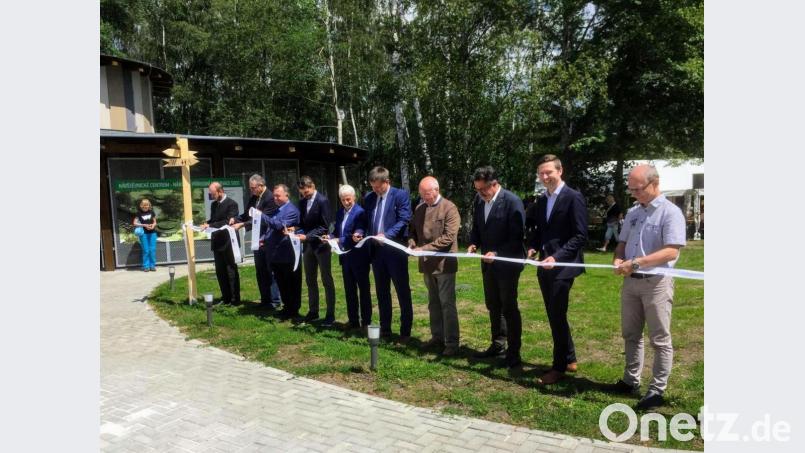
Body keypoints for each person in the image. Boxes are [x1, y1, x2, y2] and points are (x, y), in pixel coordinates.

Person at [611, 164, 686, 410]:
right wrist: (617, 259)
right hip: (631, 282)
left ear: (654, 183)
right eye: (631, 189)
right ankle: (630, 380)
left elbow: (671, 250)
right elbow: (622, 243)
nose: (634, 194)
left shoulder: (670, 212)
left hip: (656, 283)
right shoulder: (634, 212)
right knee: (631, 334)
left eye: (638, 189)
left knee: (659, 338)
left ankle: (656, 390)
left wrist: (637, 262)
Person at [526, 154, 588, 385]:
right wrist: (532, 247)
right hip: (545, 265)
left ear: (560, 171)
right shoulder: (543, 200)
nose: (544, 177)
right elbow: (540, 230)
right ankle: (569, 358)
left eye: (549, 172)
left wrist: (557, 256)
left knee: (556, 314)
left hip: (564, 266)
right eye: (541, 173)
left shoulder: (573, 197)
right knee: (555, 314)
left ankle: (558, 367)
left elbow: (580, 235)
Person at [468, 166, 526, 369]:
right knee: (493, 304)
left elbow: (517, 236)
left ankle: (514, 353)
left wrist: (498, 253)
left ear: (494, 184)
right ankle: (498, 344)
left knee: (509, 307)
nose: (480, 193)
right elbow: (477, 227)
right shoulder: (479, 201)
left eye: (483, 189)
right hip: (487, 264)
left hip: (508, 264)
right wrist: (474, 243)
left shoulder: (512, 201)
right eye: (477, 189)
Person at [408, 176, 461, 356]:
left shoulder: (449, 208)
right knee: (433, 303)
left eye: (427, 194)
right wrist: (411, 242)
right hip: (427, 265)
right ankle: (437, 337)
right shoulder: (419, 208)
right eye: (421, 194)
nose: (424, 197)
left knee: (447, 304)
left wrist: (424, 249)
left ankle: (452, 343)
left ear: (436, 190)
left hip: (444, 264)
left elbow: (449, 237)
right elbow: (412, 231)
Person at [364, 166, 413, 342]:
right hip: (377, 252)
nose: (375, 190)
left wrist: (387, 235)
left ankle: (405, 332)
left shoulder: (400, 195)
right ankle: (385, 330)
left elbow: (404, 219)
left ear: (387, 182)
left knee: (402, 291)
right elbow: (366, 220)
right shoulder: (369, 198)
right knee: (382, 292)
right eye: (373, 187)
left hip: (395, 251)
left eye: (378, 187)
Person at [323, 184, 372, 331]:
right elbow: (336, 231)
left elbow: (359, 230)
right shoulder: (339, 213)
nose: (346, 202)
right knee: (349, 290)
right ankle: (353, 320)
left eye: (348, 199)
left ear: (354, 197)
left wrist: (349, 237)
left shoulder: (360, 212)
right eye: (343, 200)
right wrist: (329, 237)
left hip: (359, 257)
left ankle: (366, 322)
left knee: (363, 291)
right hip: (345, 258)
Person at [230, 174, 280, 309]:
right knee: (260, 270)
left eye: (253, 188)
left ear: (261, 185)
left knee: (270, 271)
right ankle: (265, 300)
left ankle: (274, 300)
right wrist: (236, 219)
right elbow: (247, 215)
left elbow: (263, 220)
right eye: (250, 188)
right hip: (257, 240)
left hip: (268, 239)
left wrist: (242, 225)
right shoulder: (254, 197)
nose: (251, 190)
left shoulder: (270, 198)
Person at [296, 176, 337, 326]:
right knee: (310, 280)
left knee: (326, 280)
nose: (305, 195)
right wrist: (295, 231)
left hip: (321, 246)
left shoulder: (322, 201)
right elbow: (302, 223)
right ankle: (313, 311)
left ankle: (330, 314)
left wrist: (307, 236)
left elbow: (325, 226)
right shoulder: (302, 202)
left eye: (306, 192)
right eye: (302, 192)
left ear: (312, 186)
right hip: (308, 247)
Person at [261, 184, 302, 320]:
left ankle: (293, 310)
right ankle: (286, 308)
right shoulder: (277, 210)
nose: (275, 198)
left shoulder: (291, 210)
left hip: (287, 253)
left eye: (278, 196)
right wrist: (264, 238)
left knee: (291, 283)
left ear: (286, 195)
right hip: (276, 253)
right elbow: (271, 228)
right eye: (274, 196)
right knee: (281, 282)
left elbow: (278, 225)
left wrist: (261, 216)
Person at [201, 182, 241, 305]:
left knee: (230, 270)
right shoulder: (214, 204)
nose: (211, 196)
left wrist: (210, 225)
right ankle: (226, 297)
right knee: (220, 271)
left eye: (213, 194)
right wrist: (206, 224)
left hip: (228, 242)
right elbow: (214, 220)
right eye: (210, 194)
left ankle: (234, 299)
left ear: (220, 191)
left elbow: (227, 222)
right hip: (217, 242)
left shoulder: (232, 204)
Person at [133, 198, 158, 272]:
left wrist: (153, 226)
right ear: (141, 205)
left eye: (147, 205)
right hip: (143, 234)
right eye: (144, 205)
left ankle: (152, 266)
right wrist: (144, 225)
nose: (145, 206)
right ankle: (146, 266)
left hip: (152, 233)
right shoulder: (138, 213)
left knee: (152, 250)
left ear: (149, 205)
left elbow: (155, 222)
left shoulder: (152, 212)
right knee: (146, 250)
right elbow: (134, 223)